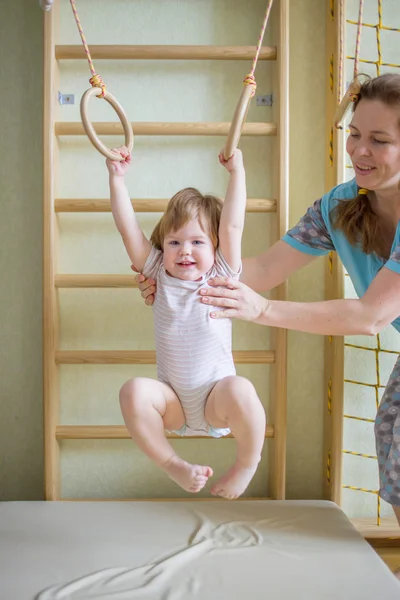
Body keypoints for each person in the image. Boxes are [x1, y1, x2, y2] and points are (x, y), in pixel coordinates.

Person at [135, 73, 400, 525]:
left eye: (379, 140)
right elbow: (256, 273)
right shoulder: (339, 207)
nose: (359, 150)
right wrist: (183, 278)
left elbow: (370, 316)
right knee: (392, 445)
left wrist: (261, 309)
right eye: (354, 134)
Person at [106, 147, 266, 499]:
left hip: (215, 399)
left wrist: (237, 172)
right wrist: (117, 179)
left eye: (197, 242)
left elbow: (234, 222)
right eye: (174, 242)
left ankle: (246, 464)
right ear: (163, 247)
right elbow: (127, 228)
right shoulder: (157, 273)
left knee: (242, 389)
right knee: (132, 391)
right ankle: (173, 465)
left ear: (216, 247)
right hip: (173, 402)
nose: (184, 251)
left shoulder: (221, 273)